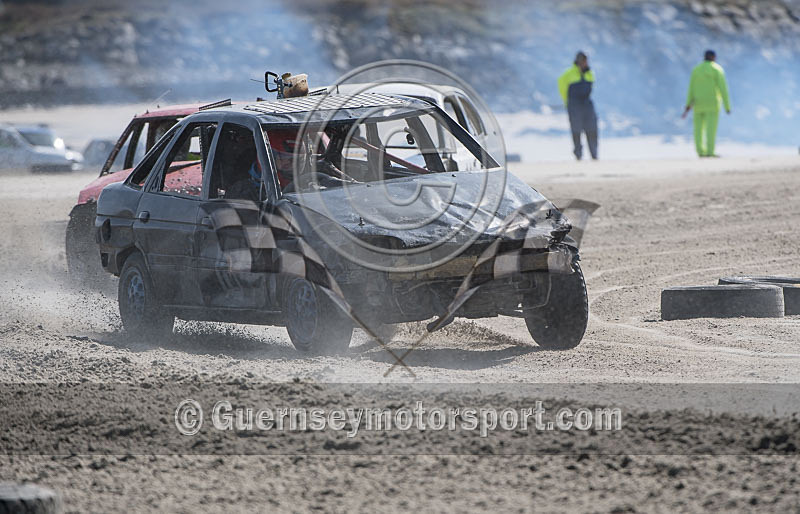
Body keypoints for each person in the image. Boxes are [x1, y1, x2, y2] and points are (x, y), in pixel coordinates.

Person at [682, 50, 731, 158]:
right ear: (713, 57)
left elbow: (691, 89)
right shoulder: (717, 69)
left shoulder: (696, 70)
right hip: (712, 104)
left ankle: (700, 151)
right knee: (711, 129)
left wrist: (688, 105)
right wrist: (727, 106)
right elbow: (723, 89)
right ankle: (710, 151)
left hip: (698, 104)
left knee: (698, 129)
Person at [558, 51, 598, 160]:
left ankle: (594, 155)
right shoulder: (569, 73)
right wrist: (567, 101)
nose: (585, 63)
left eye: (585, 61)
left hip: (587, 104)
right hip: (574, 105)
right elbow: (561, 86)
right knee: (576, 130)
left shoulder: (590, 73)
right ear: (578, 61)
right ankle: (578, 155)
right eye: (583, 61)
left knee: (592, 129)